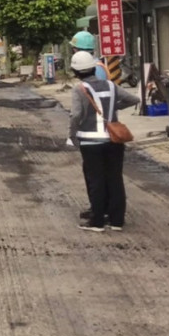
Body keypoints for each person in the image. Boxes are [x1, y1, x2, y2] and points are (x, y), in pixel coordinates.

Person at [69, 50, 139, 232]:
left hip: (91, 142)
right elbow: (134, 99)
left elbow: (76, 114)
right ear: (93, 68)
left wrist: (72, 134)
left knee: (96, 180)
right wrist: (112, 107)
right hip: (114, 141)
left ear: (75, 71)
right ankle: (116, 221)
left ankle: (97, 221)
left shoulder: (79, 89)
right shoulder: (110, 85)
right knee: (115, 178)